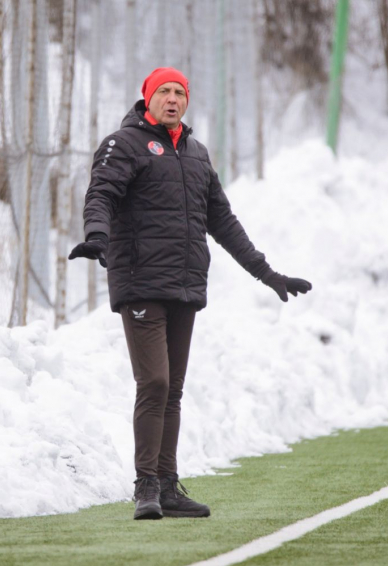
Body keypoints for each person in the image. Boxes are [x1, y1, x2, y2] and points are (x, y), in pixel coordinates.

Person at [69, 67, 312, 521]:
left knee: (173, 390)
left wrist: (268, 274)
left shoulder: (197, 155)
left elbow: (223, 221)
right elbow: (100, 193)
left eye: (180, 91)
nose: (173, 98)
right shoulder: (124, 144)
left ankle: (167, 486)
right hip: (140, 280)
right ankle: (144, 486)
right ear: (147, 98)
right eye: (164, 91)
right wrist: (97, 236)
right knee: (154, 382)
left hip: (184, 284)